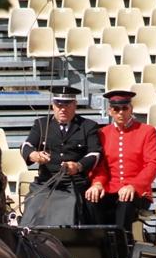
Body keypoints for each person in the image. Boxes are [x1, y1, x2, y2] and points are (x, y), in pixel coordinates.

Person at [20, 86, 102, 226]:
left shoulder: (88, 126)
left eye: (67, 104)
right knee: (33, 206)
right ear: (53, 105)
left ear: (75, 105)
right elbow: (25, 146)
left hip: (73, 183)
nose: (62, 109)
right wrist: (34, 155)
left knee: (69, 207)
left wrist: (78, 166)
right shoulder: (41, 124)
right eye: (59, 105)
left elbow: (95, 154)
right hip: (46, 182)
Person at [85, 90, 156, 230]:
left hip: (137, 192)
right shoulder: (103, 133)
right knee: (91, 200)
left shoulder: (146, 131)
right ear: (110, 111)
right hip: (110, 189)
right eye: (116, 109)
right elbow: (100, 165)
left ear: (131, 109)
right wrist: (97, 183)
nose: (121, 112)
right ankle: (98, 245)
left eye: (124, 108)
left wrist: (134, 186)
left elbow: (152, 164)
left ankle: (122, 246)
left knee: (125, 203)